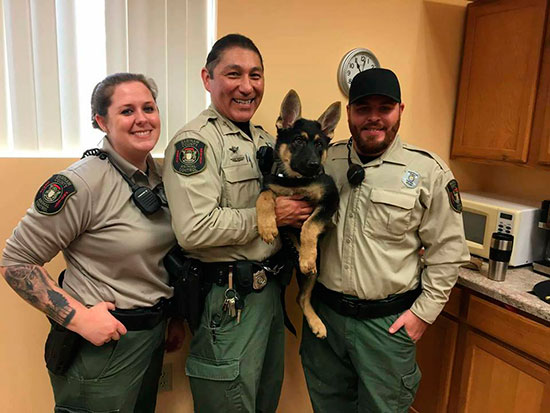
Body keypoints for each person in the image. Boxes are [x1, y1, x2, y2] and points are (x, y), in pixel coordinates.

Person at [1, 73, 182, 413]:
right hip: (103, 346)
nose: (142, 119)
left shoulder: (161, 176)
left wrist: (171, 318)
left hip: (150, 336)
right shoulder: (80, 182)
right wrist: (79, 319)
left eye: (149, 108)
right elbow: (15, 262)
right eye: (127, 111)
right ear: (102, 121)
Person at [300, 68, 470, 412]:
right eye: (363, 108)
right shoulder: (326, 161)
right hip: (326, 320)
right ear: (349, 113)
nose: (374, 118)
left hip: (386, 326)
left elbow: (448, 252)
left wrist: (423, 314)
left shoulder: (428, 172)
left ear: (400, 111)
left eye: (385, 108)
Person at [163, 33, 310, 413]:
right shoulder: (195, 143)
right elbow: (194, 229)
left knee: (263, 401)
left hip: (269, 294)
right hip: (230, 301)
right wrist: (273, 216)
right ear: (207, 78)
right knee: (228, 404)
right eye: (234, 74)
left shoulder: (263, 138)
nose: (247, 86)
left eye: (256, 75)